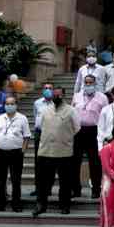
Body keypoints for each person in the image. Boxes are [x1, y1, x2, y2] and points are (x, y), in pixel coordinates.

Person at [33, 86, 81, 217]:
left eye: (59, 95)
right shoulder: (44, 110)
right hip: (46, 151)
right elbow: (39, 126)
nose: (56, 97)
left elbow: (77, 128)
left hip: (64, 151)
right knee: (43, 181)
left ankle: (64, 205)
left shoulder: (71, 111)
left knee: (65, 182)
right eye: (55, 95)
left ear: (64, 95)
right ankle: (41, 205)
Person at [0, 96, 30, 213]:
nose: (9, 106)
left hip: (16, 152)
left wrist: (23, 150)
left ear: (16, 105)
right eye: (7, 104)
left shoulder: (22, 118)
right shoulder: (0, 118)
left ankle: (16, 204)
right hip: (0, 152)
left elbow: (27, 136)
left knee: (16, 179)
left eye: (12, 104)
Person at [71, 75, 106, 198]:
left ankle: (96, 189)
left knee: (95, 161)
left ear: (95, 83)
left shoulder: (102, 98)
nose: (88, 84)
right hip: (78, 131)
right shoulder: (77, 96)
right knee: (75, 161)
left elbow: (105, 116)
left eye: (91, 82)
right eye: (86, 82)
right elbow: (72, 113)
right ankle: (76, 189)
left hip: (94, 131)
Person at [30, 82, 55, 196]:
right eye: (45, 88)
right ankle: (38, 188)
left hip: (52, 134)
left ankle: (48, 187)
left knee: (50, 161)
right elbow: (36, 117)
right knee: (38, 161)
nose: (48, 90)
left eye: (50, 88)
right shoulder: (37, 103)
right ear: (42, 90)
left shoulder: (56, 103)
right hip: (39, 133)